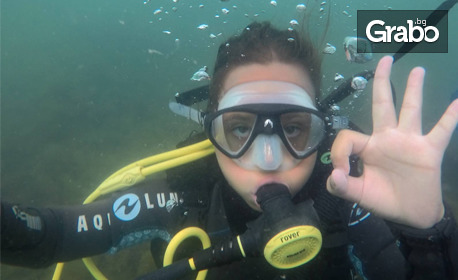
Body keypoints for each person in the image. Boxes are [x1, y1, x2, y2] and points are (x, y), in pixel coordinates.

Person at [2, 22, 458, 280]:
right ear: (209, 131)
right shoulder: (190, 187)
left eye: (294, 129)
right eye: (238, 129)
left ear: (323, 128)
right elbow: (50, 234)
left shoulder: (350, 191)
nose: (267, 158)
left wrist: (428, 231)